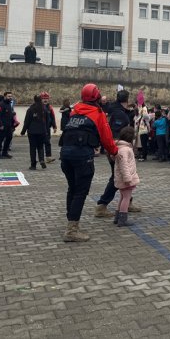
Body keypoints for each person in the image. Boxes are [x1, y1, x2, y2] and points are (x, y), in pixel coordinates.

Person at [59, 83, 118, 242]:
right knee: (80, 191)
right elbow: (106, 137)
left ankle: (70, 221)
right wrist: (115, 152)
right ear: (97, 97)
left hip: (65, 154)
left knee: (72, 188)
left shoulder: (75, 111)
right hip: (82, 156)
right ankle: (72, 230)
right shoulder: (97, 113)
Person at [94, 89, 135, 218]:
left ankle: (128, 201)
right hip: (117, 149)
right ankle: (102, 204)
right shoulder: (119, 114)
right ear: (127, 100)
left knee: (122, 175)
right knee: (117, 176)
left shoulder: (114, 109)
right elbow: (116, 132)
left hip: (113, 147)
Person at [113, 126, 140, 227]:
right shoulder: (125, 149)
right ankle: (123, 219)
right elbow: (124, 165)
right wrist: (128, 178)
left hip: (122, 178)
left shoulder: (121, 147)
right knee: (126, 198)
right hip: (126, 179)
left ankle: (117, 217)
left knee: (122, 197)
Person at [20, 95, 48, 170]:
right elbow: (47, 121)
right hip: (42, 131)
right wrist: (46, 130)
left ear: (34, 100)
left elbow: (27, 121)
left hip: (32, 131)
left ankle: (33, 165)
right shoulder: (44, 109)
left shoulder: (30, 109)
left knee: (32, 148)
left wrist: (23, 131)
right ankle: (41, 159)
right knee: (40, 146)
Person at [0, 92, 14, 159]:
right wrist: (0, 125)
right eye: (9, 96)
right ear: (5, 97)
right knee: (0, 140)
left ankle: (4, 153)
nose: (10, 97)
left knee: (9, 138)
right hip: (2, 126)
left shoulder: (9, 104)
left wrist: (12, 124)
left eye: (11, 96)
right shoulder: (0, 105)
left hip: (8, 126)